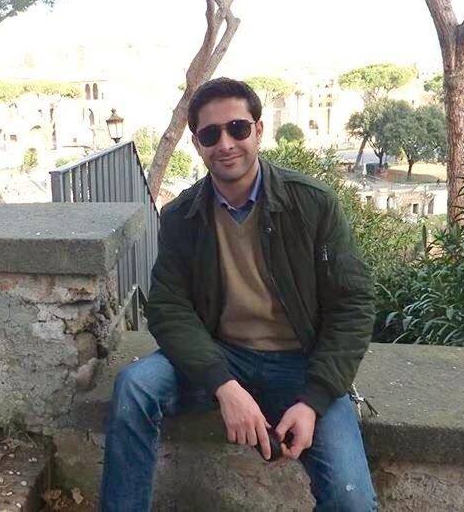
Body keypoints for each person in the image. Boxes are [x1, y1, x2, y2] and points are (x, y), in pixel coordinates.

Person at [99, 77, 377, 511]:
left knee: (352, 500)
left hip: (299, 362)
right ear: (196, 144)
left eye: (238, 128)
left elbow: (353, 304)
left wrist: (314, 401)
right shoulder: (182, 216)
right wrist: (224, 386)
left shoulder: (313, 204)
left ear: (259, 131)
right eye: (211, 134)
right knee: (134, 386)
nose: (225, 143)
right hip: (219, 355)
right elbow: (169, 308)